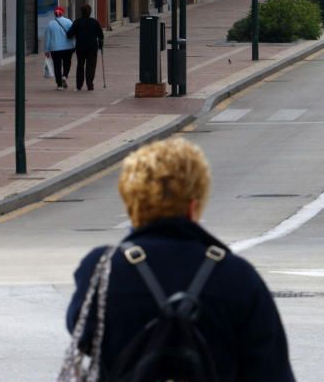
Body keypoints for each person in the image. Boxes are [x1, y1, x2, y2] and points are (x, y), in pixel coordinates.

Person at [66, 138, 295, 379]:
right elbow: (272, 370)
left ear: (132, 203)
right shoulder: (237, 276)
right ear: (193, 206)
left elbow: (82, 334)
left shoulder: (102, 269)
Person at [67, 3, 104, 91]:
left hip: (80, 47)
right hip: (92, 47)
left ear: (81, 12)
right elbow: (101, 35)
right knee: (91, 65)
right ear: (90, 12)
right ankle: (89, 84)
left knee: (80, 65)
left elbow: (69, 34)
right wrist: (100, 45)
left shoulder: (77, 22)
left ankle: (79, 85)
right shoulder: (94, 22)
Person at [44, 6, 74, 91]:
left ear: (54, 14)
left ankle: (59, 85)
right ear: (63, 13)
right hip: (68, 47)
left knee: (57, 66)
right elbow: (73, 34)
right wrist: (74, 44)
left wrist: (46, 50)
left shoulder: (50, 24)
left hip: (55, 48)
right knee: (67, 63)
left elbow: (47, 38)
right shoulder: (68, 22)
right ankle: (64, 76)